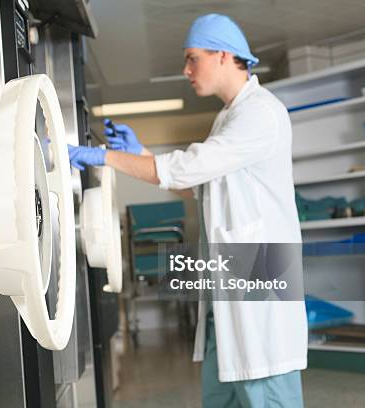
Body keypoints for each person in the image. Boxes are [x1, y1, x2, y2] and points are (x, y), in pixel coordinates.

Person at [69, 13, 307, 408]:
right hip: (228, 291)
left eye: (192, 58)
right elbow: (196, 181)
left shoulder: (260, 112)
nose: (186, 69)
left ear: (224, 56)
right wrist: (140, 154)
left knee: (265, 392)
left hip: (259, 291)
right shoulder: (227, 117)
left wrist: (104, 156)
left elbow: (189, 166)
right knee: (224, 395)